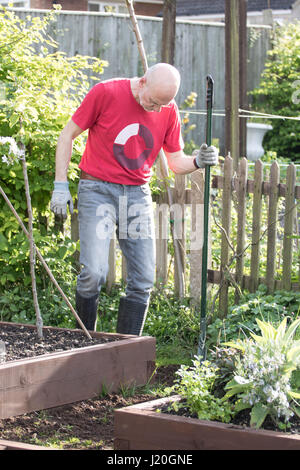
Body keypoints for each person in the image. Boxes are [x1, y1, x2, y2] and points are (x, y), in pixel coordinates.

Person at [50, 63, 218, 335]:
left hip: (137, 195)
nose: (155, 109)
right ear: (142, 82)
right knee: (94, 273)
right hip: (97, 189)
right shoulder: (106, 92)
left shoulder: (167, 109)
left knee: (142, 280)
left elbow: (175, 161)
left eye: (162, 105)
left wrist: (198, 161)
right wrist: (60, 184)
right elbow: (67, 134)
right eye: (153, 101)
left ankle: (124, 350)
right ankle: (83, 341)